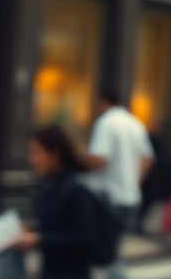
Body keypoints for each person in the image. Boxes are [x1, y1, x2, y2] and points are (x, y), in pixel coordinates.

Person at [13, 125, 105, 279]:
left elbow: (82, 237)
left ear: (54, 154)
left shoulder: (76, 188)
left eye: (36, 152)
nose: (31, 160)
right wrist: (31, 229)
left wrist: (38, 239)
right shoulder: (50, 185)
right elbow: (57, 223)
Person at [86, 89, 154, 279]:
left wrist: (79, 160)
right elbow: (148, 157)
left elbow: (100, 159)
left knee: (104, 252)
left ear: (103, 102)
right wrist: (135, 181)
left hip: (108, 197)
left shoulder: (106, 123)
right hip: (130, 196)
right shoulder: (135, 123)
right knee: (110, 248)